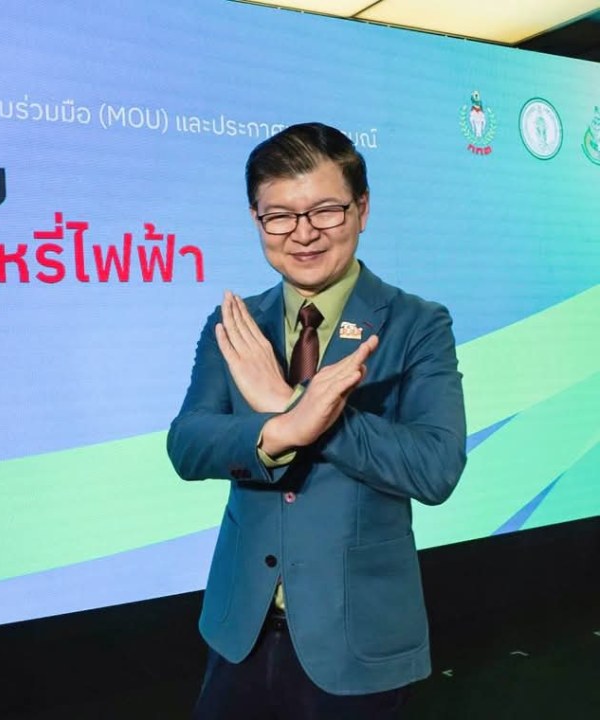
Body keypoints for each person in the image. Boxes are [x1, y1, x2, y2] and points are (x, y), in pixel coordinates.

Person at [167, 122, 466, 719]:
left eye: (326, 210)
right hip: (240, 629)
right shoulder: (235, 325)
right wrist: (282, 427)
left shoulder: (417, 323)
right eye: (279, 216)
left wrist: (304, 408)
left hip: (358, 639)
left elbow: (435, 469)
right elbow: (188, 444)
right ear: (256, 220)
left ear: (362, 209)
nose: (303, 234)